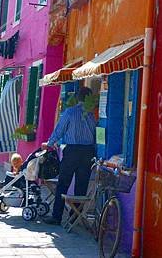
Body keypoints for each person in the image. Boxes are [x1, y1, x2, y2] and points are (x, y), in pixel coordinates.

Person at [42, 86, 96, 225]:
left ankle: (57, 216)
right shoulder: (91, 114)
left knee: (63, 183)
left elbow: (59, 130)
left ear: (78, 98)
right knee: (81, 186)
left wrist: (49, 143)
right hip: (88, 152)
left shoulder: (70, 112)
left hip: (72, 151)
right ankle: (74, 217)